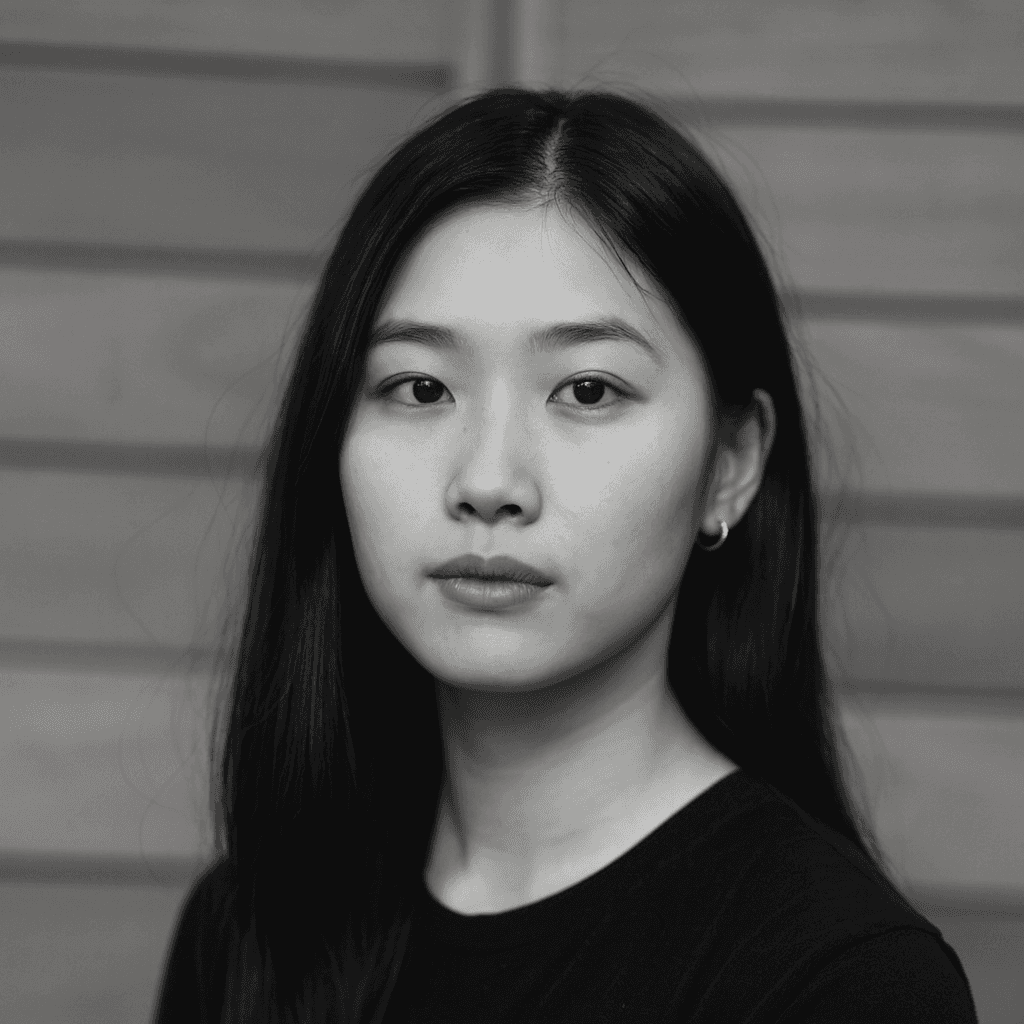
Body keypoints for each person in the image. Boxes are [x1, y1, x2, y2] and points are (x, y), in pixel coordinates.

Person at [152, 85, 978, 1023]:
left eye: (587, 389)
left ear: (731, 463)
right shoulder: (252, 928)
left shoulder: (840, 978)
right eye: (421, 387)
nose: (491, 479)